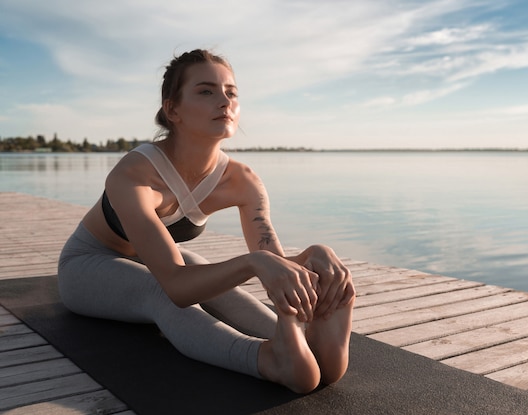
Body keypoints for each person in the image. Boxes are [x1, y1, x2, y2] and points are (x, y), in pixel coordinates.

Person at [57, 49, 355, 394]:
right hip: (88, 266)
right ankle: (265, 359)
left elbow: (273, 261)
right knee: (163, 293)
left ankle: (306, 342)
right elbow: (177, 287)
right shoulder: (135, 174)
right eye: (206, 91)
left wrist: (313, 260)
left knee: (209, 275)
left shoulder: (242, 180)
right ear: (173, 110)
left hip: (153, 261)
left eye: (231, 92)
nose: (224, 101)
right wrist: (253, 263)